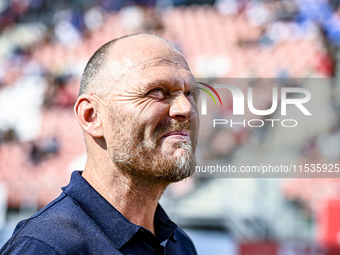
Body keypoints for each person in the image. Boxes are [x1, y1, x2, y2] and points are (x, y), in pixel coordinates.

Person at [0, 33, 199, 254]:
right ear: (91, 116)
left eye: (190, 94)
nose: (186, 108)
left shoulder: (179, 244)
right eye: (158, 92)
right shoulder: (45, 247)